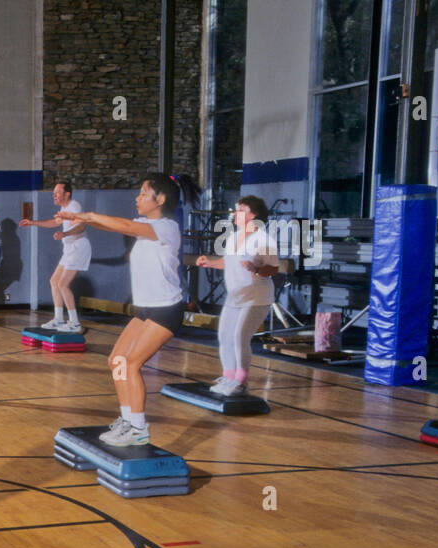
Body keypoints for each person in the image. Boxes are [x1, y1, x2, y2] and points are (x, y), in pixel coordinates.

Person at [59, 172, 200, 447]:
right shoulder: (145, 224)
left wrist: (88, 215)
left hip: (167, 309)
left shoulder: (167, 227)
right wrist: (87, 220)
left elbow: (123, 225)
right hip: (147, 309)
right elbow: (118, 227)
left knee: (132, 363)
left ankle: (138, 428)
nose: (137, 198)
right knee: (117, 361)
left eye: (143, 193)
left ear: (159, 199)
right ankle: (127, 419)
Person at [197, 196, 279, 396]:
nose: (235, 213)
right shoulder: (233, 237)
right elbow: (228, 262)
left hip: (256, 297)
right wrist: (210, 262)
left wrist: (256, 269)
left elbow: (273, 269)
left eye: (241, 210)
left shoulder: (264, 240)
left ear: (254, 215)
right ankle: (229, 377)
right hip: (235, 297)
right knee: (224, 336)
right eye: (236, 210)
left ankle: (241, 382)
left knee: (239, 337)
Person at [20, 179, 90, 332]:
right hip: (70, 248)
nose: (55, 196)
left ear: (67, 194)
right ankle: (59, 318)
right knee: (54, 281)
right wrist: (33, 223)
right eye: (54, 193)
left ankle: (75, 323)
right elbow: (54, 222)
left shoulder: (74, 206)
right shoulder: (65, 209)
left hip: (79, 246)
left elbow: (82, 225)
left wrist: (65, 233)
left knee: (63, 284)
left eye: (58, 193)